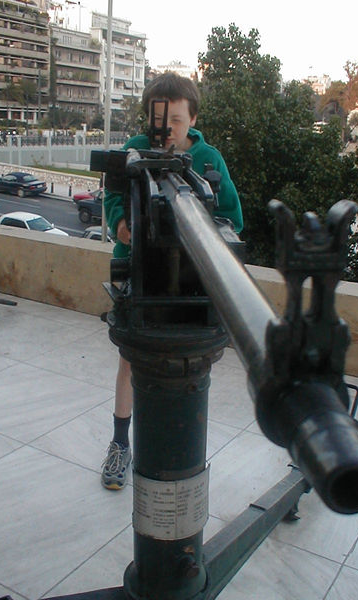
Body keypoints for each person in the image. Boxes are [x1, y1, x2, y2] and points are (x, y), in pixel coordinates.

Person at [100, 72, 243, 490]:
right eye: (158, 120)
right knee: (130, 362)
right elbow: (113, 197)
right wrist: (122, 223)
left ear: (193, 119)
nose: (167, 130)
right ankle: (120, 442)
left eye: (176, 121)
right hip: (140, 272)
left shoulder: (209, 159)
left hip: (189, 280)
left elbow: (231, 216)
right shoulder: (133, 149)